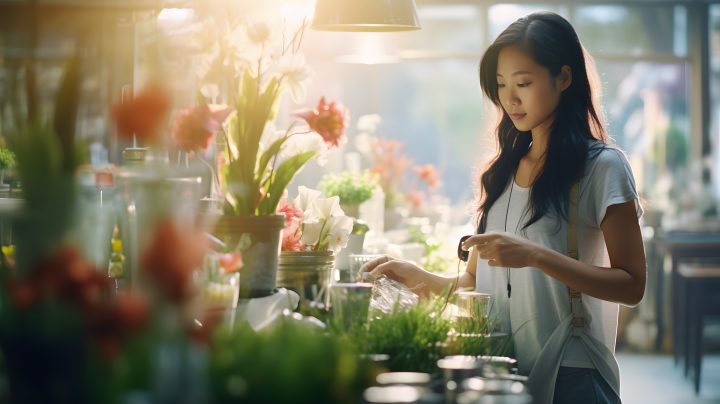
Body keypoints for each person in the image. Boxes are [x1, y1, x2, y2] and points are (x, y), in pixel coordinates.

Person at [356, 11, 646, 404]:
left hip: (571, 371)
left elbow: (632, 285)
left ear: (563, 78)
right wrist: (416, 275)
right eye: (501, 85)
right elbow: (474, 283)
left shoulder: (602, 167)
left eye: (523, 83)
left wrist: (536, 256)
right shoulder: (503, 173)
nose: (510, 98)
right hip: (503, 370)